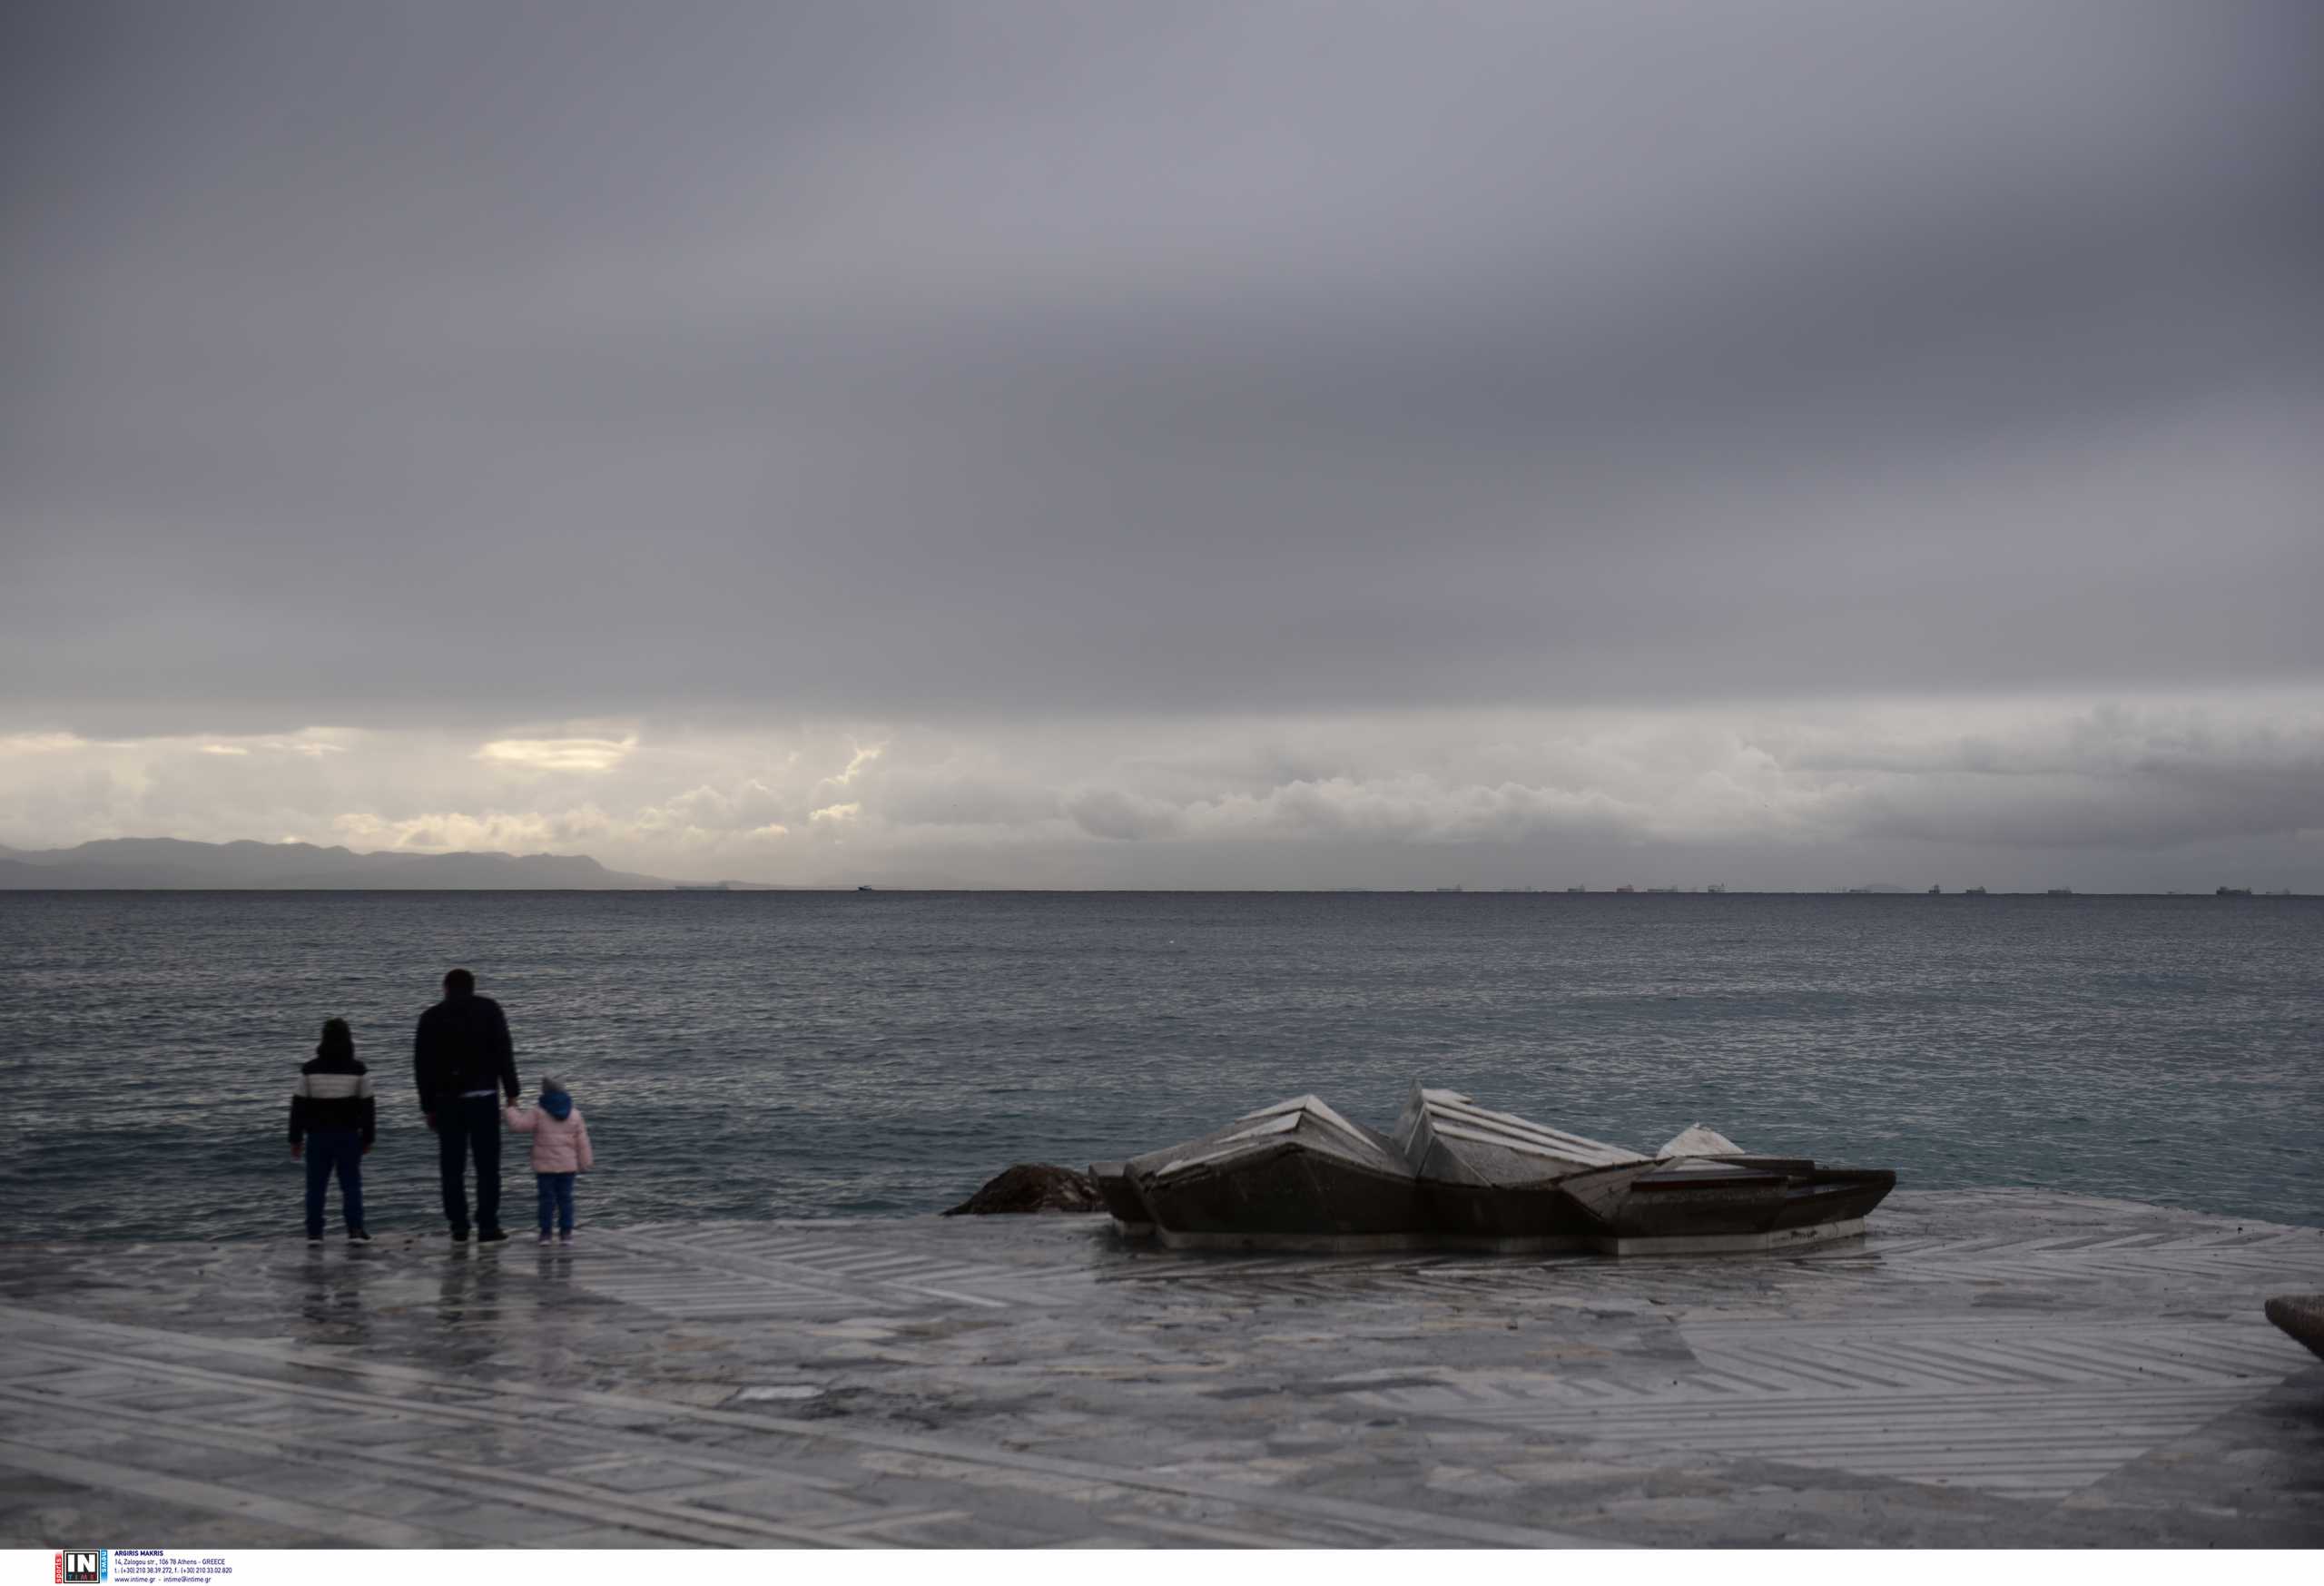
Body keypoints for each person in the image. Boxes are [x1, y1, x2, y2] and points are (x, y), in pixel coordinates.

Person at [413, 968, 520, 1243]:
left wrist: (428, 1106)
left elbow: (422, 1066)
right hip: (484, 1097)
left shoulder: (431, 1017)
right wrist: (511, 1092)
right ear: (472, 987)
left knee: (452, 1168)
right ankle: (488, 1225)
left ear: (445, 988)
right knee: (487, 1167)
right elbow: (503, 1050)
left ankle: (459, 1226)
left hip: (448, 1102)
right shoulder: (489, 1009)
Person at [289, 1017, 375, 1244]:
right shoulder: (358, 1070)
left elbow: (298, 1107)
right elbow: (368, 1107)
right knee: (351, 1184)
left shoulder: (309, 1070)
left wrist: (295, 1139)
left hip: (317, 1136)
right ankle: (355, 1230)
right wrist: (368, 1137)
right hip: (348, 1135)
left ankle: (315, 1233)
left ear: (323, 1039)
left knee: (316, 1186)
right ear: (348, 1039)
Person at [505, 1074, 596, 1244]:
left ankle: (545, 1234)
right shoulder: (574, 1114)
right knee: (565, 1199)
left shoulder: (538, 1112)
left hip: (545, 1167)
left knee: (546, 1200)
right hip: (567, 1166)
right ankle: (566, 1234)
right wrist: (585, 1162)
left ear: (544, 1090)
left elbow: (518, 1126)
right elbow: (582, 1141)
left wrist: (510, 1109)